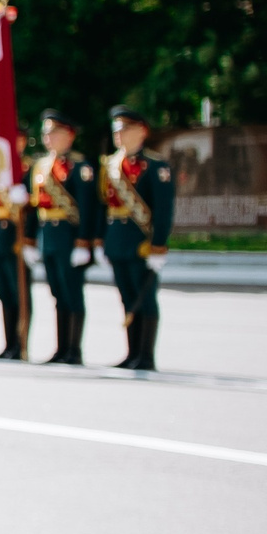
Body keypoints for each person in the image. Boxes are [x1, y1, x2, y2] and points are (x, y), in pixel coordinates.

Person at [101, 106, 174, 372]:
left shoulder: (156, 166)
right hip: (116, 241)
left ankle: (146, 355)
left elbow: (164, 210)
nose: (118, 135)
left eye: (125, 130)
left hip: (142, 244)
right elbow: (102, 207)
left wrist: (159, 245)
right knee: (127, 298)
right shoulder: (110, 165)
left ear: (141, 131)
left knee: (145, 299)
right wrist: (100, 241)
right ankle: (131, 353)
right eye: (116, 130)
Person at [26, 109, 101, 365]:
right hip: (48, 236)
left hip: (70, 238)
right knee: (57, 294)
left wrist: (84, 241)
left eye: (53, 133)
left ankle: (74, 349)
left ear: (68, 135)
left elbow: (89, 207)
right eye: (46, 133)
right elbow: (34, 208)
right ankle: (61, 348)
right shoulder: (41, 166)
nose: (47, 138)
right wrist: (30, 240)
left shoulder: (81, 168)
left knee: (72, 294)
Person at [0, 178, 30, 361]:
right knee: (4, 294)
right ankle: (9, 344)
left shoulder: (25, 171)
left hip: (15, 240)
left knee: (19, 294)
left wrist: (29, 239)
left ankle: (20, 344)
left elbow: (36, 206)